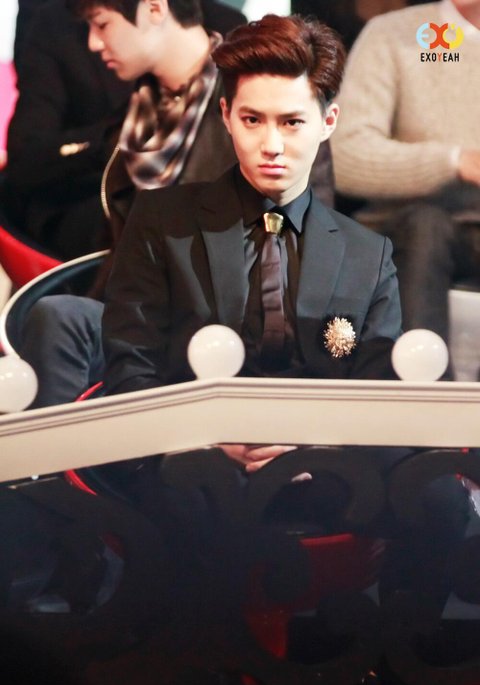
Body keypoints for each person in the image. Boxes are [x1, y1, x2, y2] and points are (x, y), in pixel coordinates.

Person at [101, 12, 402, 476]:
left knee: (439, 499)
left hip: (329, 472)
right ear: (226, 116)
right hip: (194, 468)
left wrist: (314, 445)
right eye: (252, 120)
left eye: (292, 122)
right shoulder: (163, 222)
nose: (271, 144)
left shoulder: (368, 254)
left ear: (328, 121)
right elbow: (130, 368)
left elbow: (380, 394)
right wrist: (205, 440)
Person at [18, 0, 334, 408]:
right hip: (146, 312)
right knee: (58, 317)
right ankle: (62, 448)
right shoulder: (140, 114)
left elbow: (299, 236)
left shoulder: (255, 101)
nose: (94, 43)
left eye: (102, 24)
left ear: (154, 9)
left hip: (230, 318)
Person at [330, 0, 480, 348]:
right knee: (426, 227)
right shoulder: (393, 35)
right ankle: (421, 375)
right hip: (412, 226)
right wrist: (454, 161)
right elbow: (344, 155)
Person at [5, 0, 132, 260]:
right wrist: (111, 139)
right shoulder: (53, 24)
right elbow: (26, 155)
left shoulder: (211, 24)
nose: (95, 42)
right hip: (78, 195)